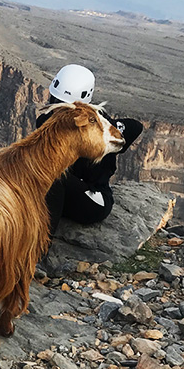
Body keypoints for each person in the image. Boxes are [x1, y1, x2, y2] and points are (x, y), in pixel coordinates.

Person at [37, 64, 143, 238]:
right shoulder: (48, 123)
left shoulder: (97, 128)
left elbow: (135, 127)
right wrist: (113, 125)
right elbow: (134, 127)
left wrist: (108, 126)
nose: (55, 107)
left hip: (94, 199)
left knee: (56, 178)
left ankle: (40, 246)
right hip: (61, 197)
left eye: (60, 103)